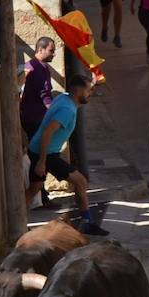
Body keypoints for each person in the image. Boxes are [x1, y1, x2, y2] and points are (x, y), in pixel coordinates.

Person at [27, 74, 107, 236]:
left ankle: (16, 222)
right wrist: (42, 161)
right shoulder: (67, 109)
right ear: (77, 91)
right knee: (81, 181)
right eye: (88, 90)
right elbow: (47, 133)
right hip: (46, 153)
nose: (90, 93)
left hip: (42, 150)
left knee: (34, 188)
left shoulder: (64, 98)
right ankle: (87, 223)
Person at [21, 37, 57, 206]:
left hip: (28, 118)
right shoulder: (39, 69)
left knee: (36, 157)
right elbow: (45, 95)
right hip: (36, 119)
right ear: (40, 49)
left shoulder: (29, 66)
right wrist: (54, 113)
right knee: (40, 157)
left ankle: (41, 195)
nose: (54, 54)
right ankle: (39, 196)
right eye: (51, 50)